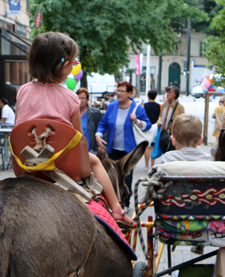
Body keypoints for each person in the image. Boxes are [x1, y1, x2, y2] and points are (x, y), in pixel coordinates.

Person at [15, 32, 135, 227]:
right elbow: (78, 141)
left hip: (26, 161)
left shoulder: (23, 91)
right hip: (62, 165)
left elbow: (19, 129)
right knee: (96, 162)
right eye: (73, 62)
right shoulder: (70, 98)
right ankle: (117, 210)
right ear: (64, 66)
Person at [95, 80, 152, 206]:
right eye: (118, 90)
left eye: (122, 91)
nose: (118, 93)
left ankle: (125, 203)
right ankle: (114, 202)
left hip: (129, 151)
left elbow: (147, 125)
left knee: (126, 178)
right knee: (112, 177)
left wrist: (136, 120)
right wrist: (98, 135)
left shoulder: (138, 108)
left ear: (130, 93)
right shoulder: (112, 106)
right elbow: (102, 124)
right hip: (113, 150)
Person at [156, 85, 185, 153]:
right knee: (164, 151)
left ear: (175, 94)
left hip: (173, 134)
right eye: (167, 92)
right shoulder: (164, 104)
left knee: (172, 152)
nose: (167, 94)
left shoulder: (179, 107)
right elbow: (160, 116)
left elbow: (183, 121)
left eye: (170, 92)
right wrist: (159, 121)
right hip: (163, 132)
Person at [77, 88, 102, 153]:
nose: (80, 100)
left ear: (87, 99)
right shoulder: (72, 113)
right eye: (78, 98)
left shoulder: (95, 112)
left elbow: (100, 128)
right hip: (77, 148)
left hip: (91, 149)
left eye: (82, 98)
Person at [142, 89, 161, 170]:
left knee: (146, 147)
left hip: (147, 126)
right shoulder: (159, 105)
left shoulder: (144, 105)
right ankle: (153, 165)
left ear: (148, 96)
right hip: (155, 126)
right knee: (153, 146)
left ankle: (146, 165)